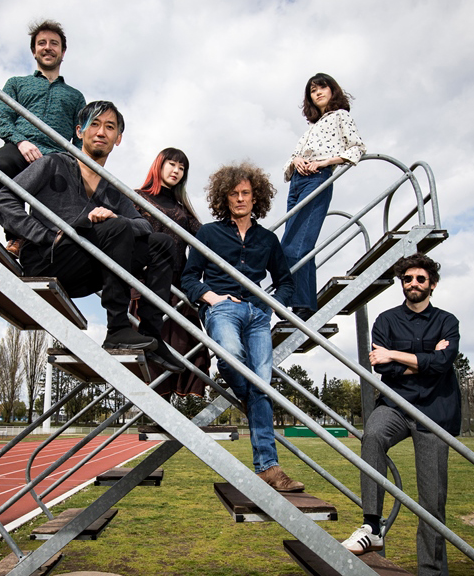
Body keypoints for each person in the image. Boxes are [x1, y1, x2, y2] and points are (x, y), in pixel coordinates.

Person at [0, 101, 184, 372]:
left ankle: (152, 333)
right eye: (94, 124)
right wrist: (47, 235)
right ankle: (117, 327)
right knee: (115, 228)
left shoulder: (112, 188)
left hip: (86, 269)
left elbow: (145, 227)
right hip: (48, 259)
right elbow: (4, 200)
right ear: (79, 131)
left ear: (118, 139)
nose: (101, 132)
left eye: (109, 127)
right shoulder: (53, 163)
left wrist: (115, 217)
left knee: (161, 244)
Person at [181, 161, 303, 492]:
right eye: (233, 194)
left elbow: (286, 282)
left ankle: (269, 468)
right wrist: (212, 297)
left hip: (257, 314)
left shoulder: (267, 239)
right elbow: (189, 277)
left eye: (246, 193)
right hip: (222, 310)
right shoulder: (208, 233)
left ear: (256, 197)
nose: (240, 199)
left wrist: (268, 305)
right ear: (224, 198)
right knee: (233, 357)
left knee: (262, 382)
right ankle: (255, 401)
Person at [343, 253, 461, 576]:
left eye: (420, 279)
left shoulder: (447, 322)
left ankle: (432, 571)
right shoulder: (385, 320)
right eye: (407, 279)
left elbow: (442, 365)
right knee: (373, 434)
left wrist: (396, 355)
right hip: (395, 405)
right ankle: (372, 526)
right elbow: (381, 368)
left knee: (432, 502)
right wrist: (423, 361)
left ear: (432, 285)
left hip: (434, 413)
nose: (413, 284)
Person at [0, 19, 86, 255]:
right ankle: (16, 236)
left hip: (57, 156)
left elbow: (81, 136)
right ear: (34, 50)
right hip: (21, 146)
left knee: (64, 195)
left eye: (54, 43)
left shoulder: (75, 96)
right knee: (5, 161)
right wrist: (21, 141)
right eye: (42, 43)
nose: (48, 47)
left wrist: (74, 161)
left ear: (63, 52)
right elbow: (3, 120)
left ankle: (48, 248)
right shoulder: (16, 84)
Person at [280, 73, 366, 320]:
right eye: (312, 90)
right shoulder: (311, 128)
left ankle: (302, 305)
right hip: (296, 182)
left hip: (317, 178)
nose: (317, 93)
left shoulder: (341, 116)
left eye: (321, 88)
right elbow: (292, 157)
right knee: (293, 240)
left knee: (295, 246)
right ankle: (303, 302)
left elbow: (357, 148)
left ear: (331, 90)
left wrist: (326, 162)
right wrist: (296, 160)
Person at [132, 148, 209, 394]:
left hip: (179, 290)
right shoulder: (135, 198)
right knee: (152, 351)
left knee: (186, 349)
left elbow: (207, 238)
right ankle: (154, 414)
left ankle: (173, 419)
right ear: (159, 165)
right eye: (172, 164)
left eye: (182, 167)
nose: (176, 170)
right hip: (148, 286)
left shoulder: (183, 209)